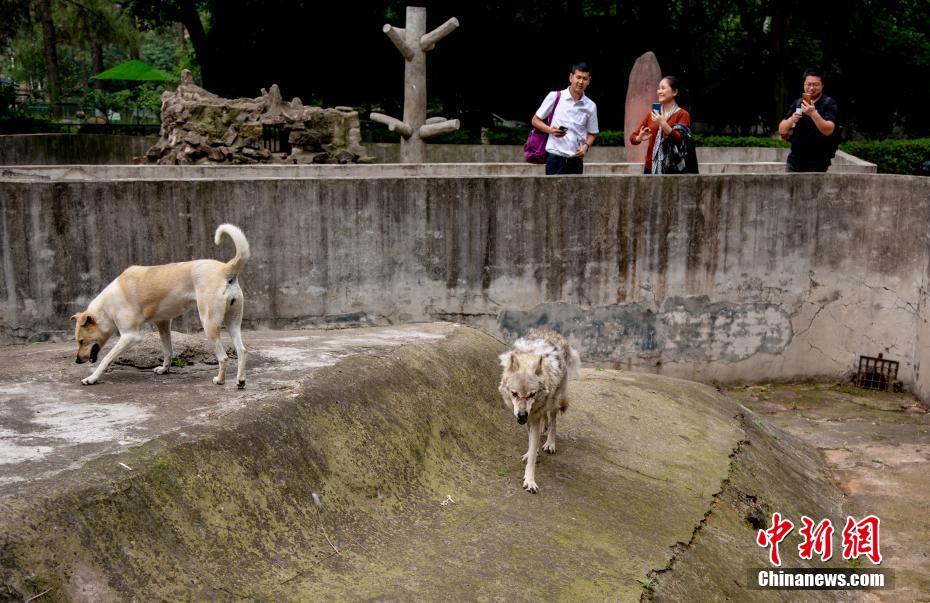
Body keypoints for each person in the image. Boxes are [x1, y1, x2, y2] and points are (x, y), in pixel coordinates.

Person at [531, 62, 599, 175]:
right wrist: (551, 130)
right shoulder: (555, 96)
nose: (581, 82)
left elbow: (592, 133)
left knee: (576, 193)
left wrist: (585, 147)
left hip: (576, 160)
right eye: (578, 77)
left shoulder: (591, 106)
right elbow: (535, 120)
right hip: (554, 158)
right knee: (551, 193)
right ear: (571, 77)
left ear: (589, 81)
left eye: (585, 78)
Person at [777, 70, 838, 173]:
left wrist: (813, 113)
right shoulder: (798, 102)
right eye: (808, 84)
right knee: (790, 189)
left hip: (818, 162)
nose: (811, 88)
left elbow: (828, 130)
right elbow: (781, 130)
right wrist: (792, 119)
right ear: (804, 84)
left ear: (822, 85)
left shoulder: (829, 103)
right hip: (794, 160)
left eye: (815, 85)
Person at [629, 76, 692, 174]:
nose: (659, 91)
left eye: (663, 88)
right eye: (658, 88)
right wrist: (639, 138)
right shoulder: (652, 114)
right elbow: (632, 138)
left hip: (672, 168)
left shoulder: (682, 114)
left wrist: (663, 123)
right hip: (650, 167)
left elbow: (680, 139)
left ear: (674, 92)